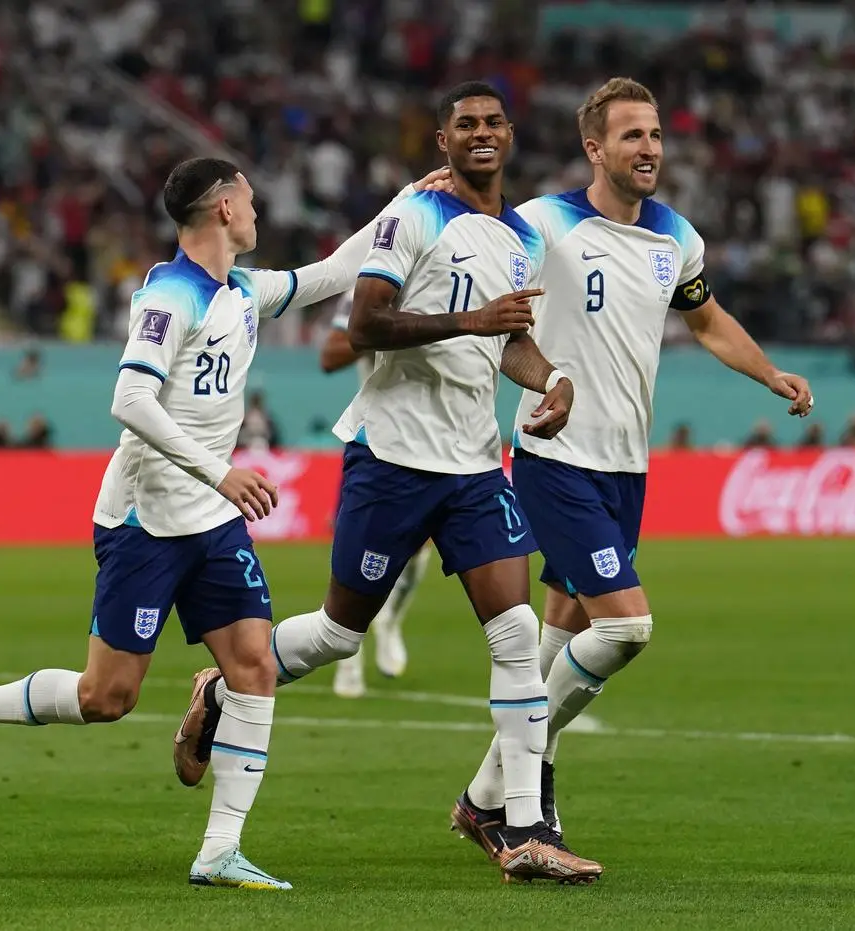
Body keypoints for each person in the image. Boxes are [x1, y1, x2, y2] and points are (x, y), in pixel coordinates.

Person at [0, 156, 451, 891]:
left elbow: (332, 272)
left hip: (211, 522)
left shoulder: (241, 291)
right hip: (145, 519)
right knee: (107, 698)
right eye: (252, 200)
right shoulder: (171, 296)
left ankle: (218, 850)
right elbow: (130, 400)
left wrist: (407, 204)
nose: (259, 211)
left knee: (255, 665)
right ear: (225, 208)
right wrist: (221, 471)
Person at [179, 81, 603, 885]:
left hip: (475, 464)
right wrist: (468, 321)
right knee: (341, 632)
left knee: (515, 635)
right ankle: (224, 682)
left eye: (492, 123)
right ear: (442, 139)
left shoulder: (519, 239)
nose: (481, 134)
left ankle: (523, 830)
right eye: (464, 124)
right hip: (393, 459)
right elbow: (365, 322)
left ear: (510, 136)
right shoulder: (414, 218)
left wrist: (552, 380)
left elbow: (508, 341)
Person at [451, 77, 814, 858]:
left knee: (569, 627)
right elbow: (476, 251)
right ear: (595, 148)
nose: (648, 148)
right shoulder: (544, 221)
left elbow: (708, 320)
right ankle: (527, 778)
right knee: (628, 625)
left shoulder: (675, 238)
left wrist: (770, 373)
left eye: (654, 135)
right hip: (555, 456)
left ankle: (485, 799)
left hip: (625, 465)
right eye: (631, 136)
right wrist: (431, 195)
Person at [317, 292, 427, 698]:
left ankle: (390, 621)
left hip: (434, 440)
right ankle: (349, 664)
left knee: (419, 554)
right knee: (353, 557)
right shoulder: (371, 286)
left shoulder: (450, 273)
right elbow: (329, 355)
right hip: (377, 440)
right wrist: (394, 325)